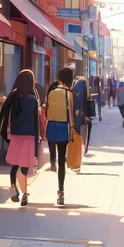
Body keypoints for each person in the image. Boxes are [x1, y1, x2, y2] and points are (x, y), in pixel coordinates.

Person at [0, 69, 39, 208]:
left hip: (15, 136)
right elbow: (35, 122)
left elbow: (2, 115)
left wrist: (4, 135)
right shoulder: (33, 99)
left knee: (14, 164)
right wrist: (36, 148)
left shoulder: (13, 95)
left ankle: (13, 188)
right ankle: (25, 194)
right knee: (25, 166)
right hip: (28, 136)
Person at [46, 66, 74, 205]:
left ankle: (52, 160)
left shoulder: (51, 91)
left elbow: (47, 110)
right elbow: (72, 114)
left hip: (51, 125)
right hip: (63, 127)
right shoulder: (68, 93)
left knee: (54, 151)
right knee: (62, 160)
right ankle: (61, 191)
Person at [67, 77, 89, 173]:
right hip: (80, 115)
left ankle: (75, 163)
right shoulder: (82, 83)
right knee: (77, 138)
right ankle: (75, 162)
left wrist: (76, 113)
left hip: (77, 116)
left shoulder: (79, 83)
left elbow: (77, 99)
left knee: (75, 138)